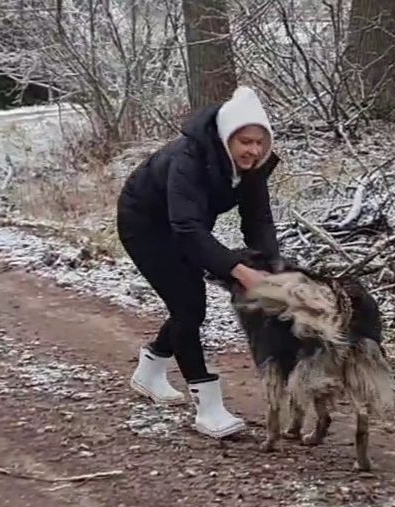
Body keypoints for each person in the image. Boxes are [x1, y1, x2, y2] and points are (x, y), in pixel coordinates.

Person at [116, 86, 281, 439]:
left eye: (259, 142)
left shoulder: (254, 166)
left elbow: (258, 221)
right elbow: (187, 228)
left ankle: (150, 371)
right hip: (144, 224)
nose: (253, 150)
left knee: (187, 306)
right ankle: (208, 408)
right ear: (226, 138)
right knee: (189, 306)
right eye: (245, 141)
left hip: (187, 224)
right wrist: (239, 270)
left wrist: (272, 269)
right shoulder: (189, 159)